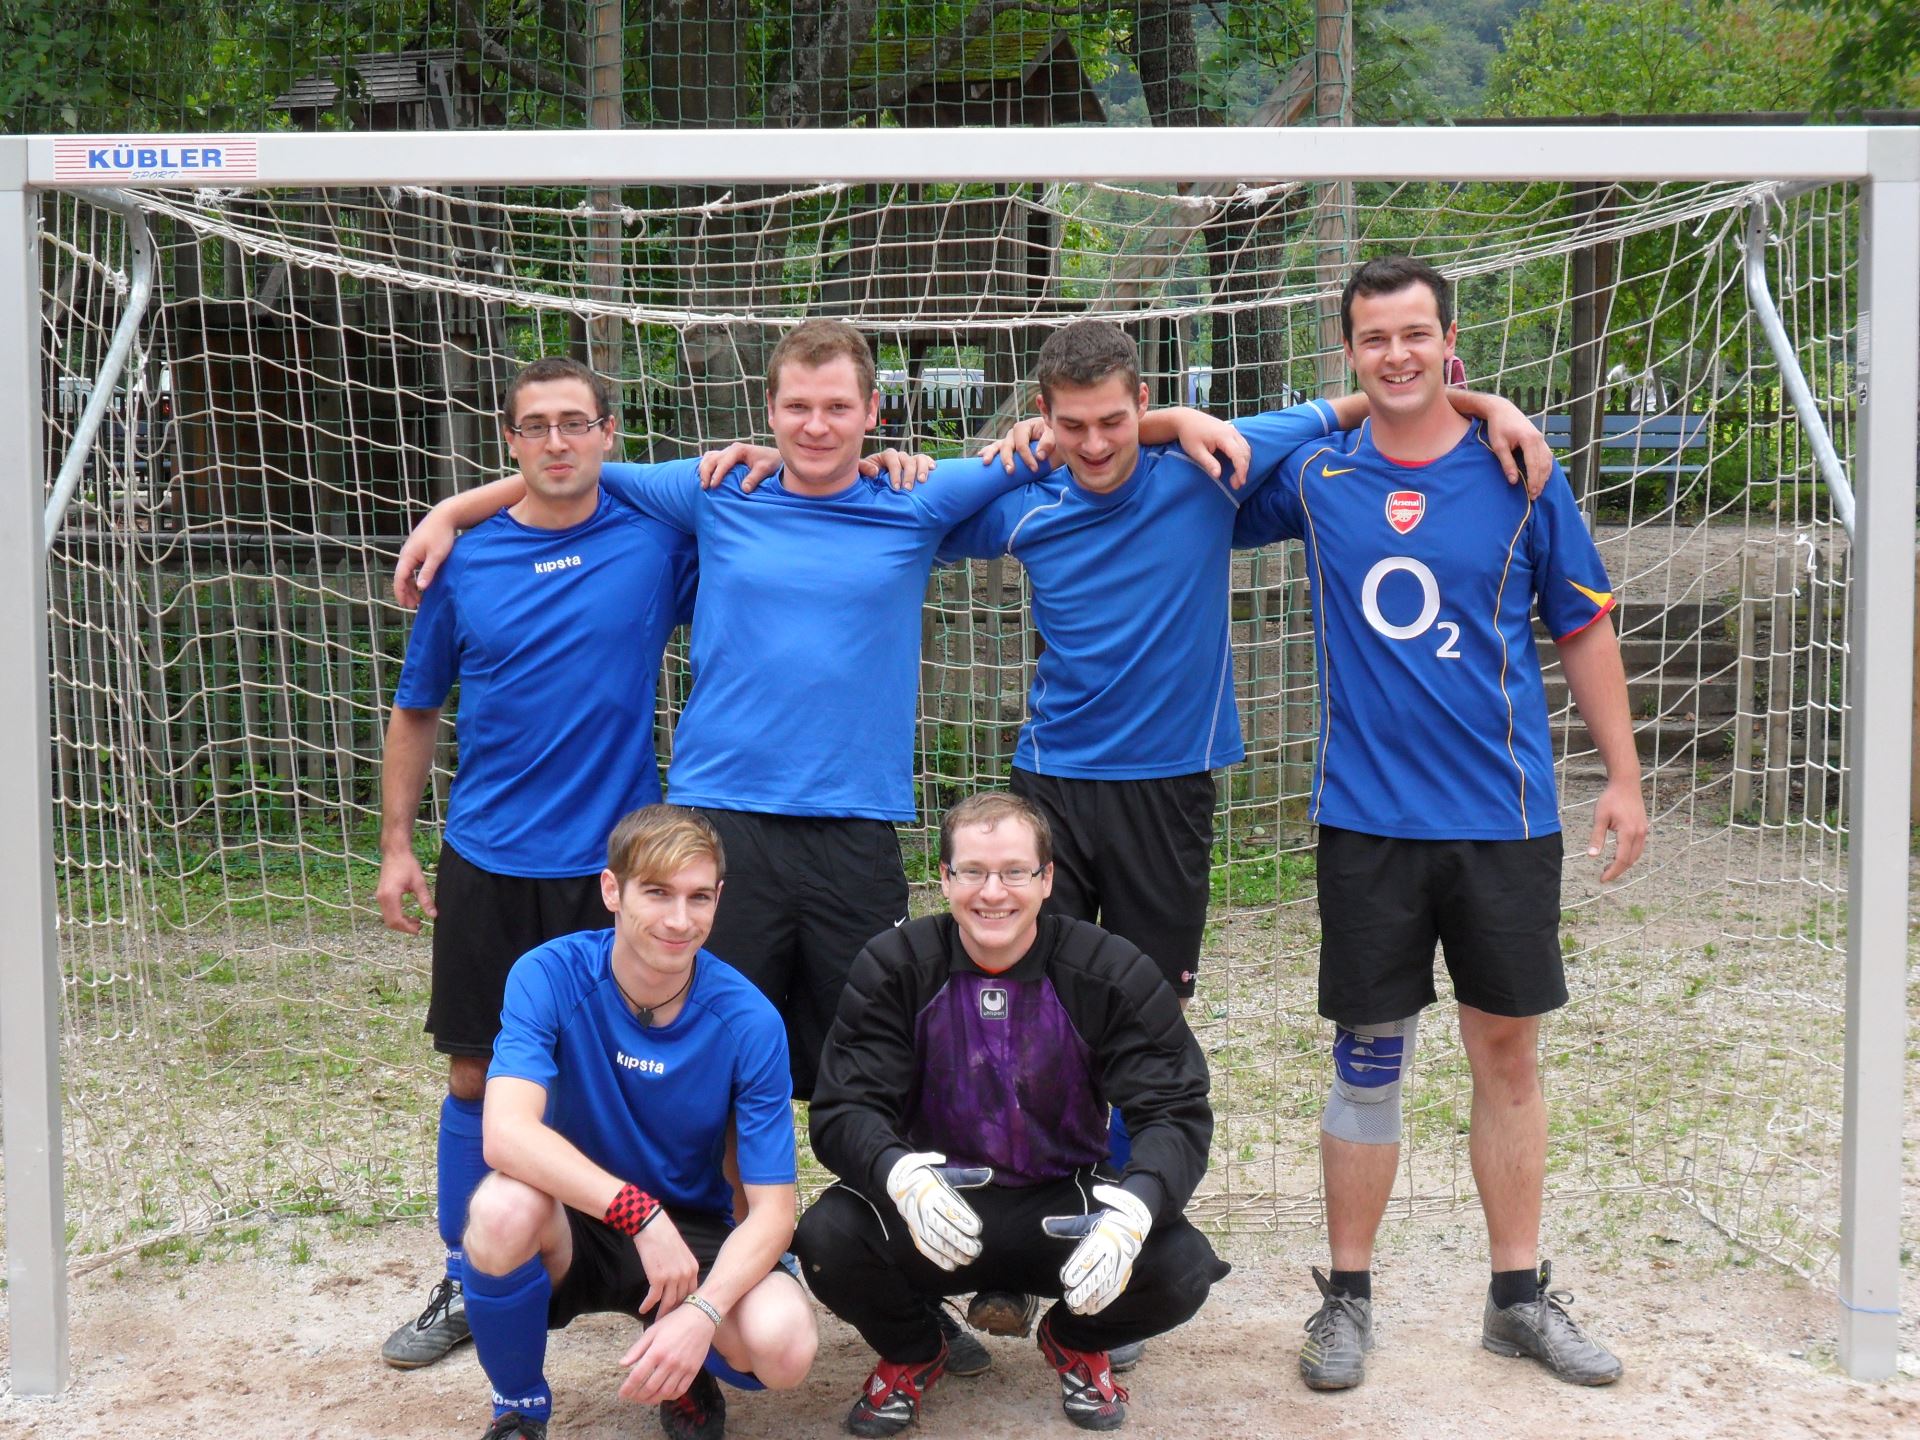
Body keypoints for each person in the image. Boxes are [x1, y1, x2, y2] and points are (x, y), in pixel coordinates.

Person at [948, 319, 1554, 1352]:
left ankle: (1118, 1260)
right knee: (1025, 1022)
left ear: (1143, 405)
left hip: (1169, 793)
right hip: (1048, 788)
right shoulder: (1019, 493)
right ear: (1044, 421)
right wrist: (921, 456)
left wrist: (1489, 405)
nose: (1096, 444)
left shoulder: (1205, 469)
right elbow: (897, 513)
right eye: (1072, 426)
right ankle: (1012, 1252)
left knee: (1140, 1026)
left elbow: (1370, 403)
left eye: (1115, 420)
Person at [1230, 255, 1647, 1391]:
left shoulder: (1520, 471)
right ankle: (1347, 1299)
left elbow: (1583, 625)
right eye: (1375, 340)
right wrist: (1220, 414)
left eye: (1418, 336)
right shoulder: (1319, 478)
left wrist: (1623, 775)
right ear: (1351, 356)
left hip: (1503, 818)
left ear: (1449, 341)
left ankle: (1517, 1296)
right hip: (1367, 821)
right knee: (1369, 1058)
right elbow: (1208, 464)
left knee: (1505, 1051)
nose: (1399, 355)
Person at [376, 356, 696, 1370]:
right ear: (509, 440)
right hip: (488, 858)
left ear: (608, 432)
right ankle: (473, 1275)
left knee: (627, 1076)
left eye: (575, 423)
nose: (556, 442)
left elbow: (774, 496)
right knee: (480, 1073)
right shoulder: (465, 564)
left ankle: (659, 1266)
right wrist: (395, 843)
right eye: (534, 426)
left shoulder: (656, 542)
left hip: (614, 867)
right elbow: (417, 707)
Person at [795, 792, 1229, 1435]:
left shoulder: (1109, 969)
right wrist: (896, 1173)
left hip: (1060, 1206)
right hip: (931, 1206)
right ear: (943, 878)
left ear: (1047, 879)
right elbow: (842, 1107)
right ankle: (915, 1349)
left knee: (1181, 1264)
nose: (992, 892)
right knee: (826, 1239)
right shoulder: (893, 967)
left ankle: (1076, 1339)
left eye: (1014, 872)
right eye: (971, 871)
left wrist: (1137, 1206)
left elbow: (1176, 1107)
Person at [462, 804, 815, 1440]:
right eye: (657, 893)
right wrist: (639, 1215)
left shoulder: (751, 1021)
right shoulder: (548, 975)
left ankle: (684, 1357)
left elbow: (774, 1212)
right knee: (499, 1209)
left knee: (785, 1346)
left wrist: (704, 1311)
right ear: (612, 890)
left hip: (695, 1231)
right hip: (579, 1219)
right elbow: (505, 1134)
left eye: (698, 897)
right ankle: (518, 1408)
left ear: (718, 899)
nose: (680, 920)